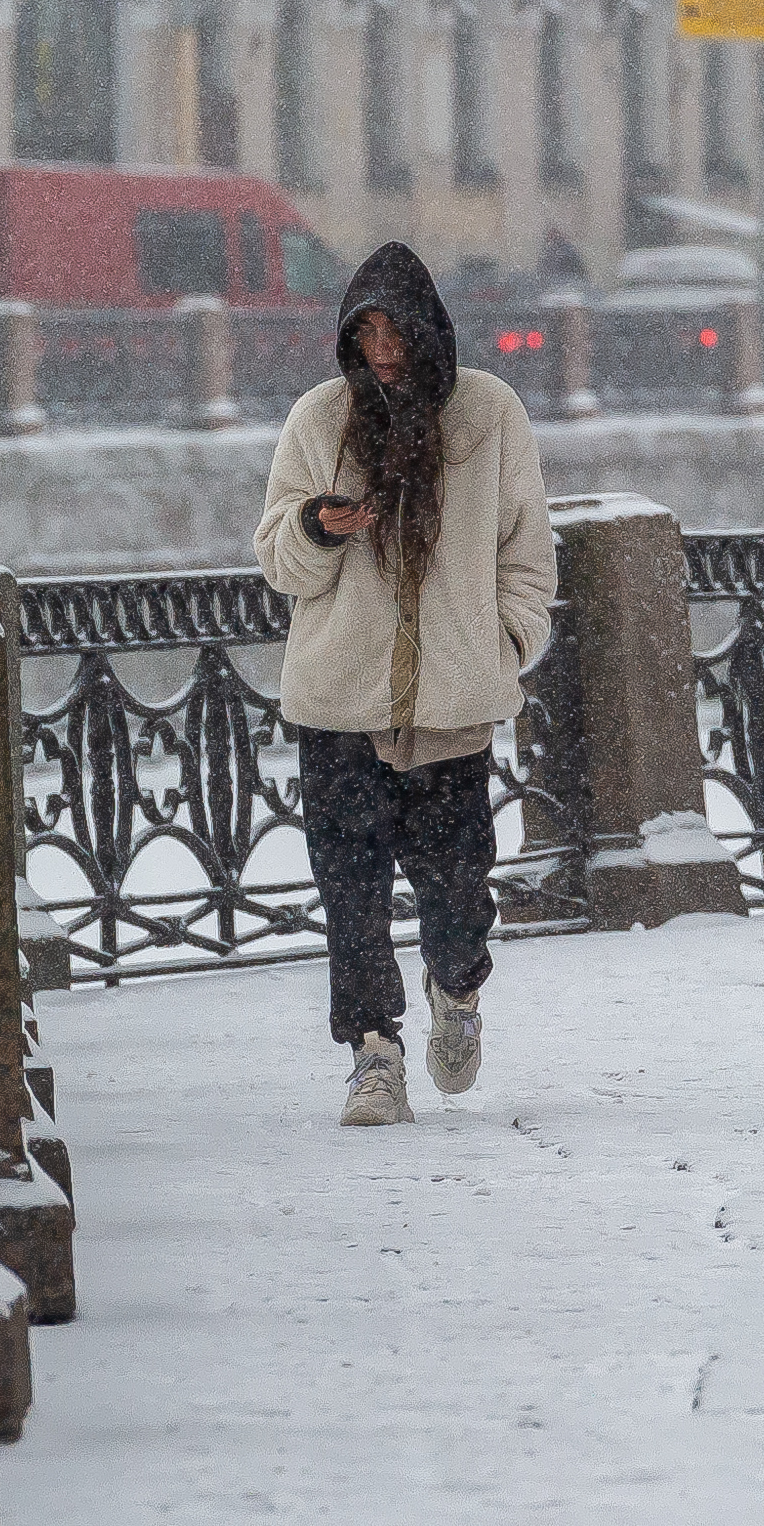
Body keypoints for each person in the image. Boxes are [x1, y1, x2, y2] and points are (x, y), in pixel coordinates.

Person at [257, 242, 554, 1125]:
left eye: (395, 330)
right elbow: (279, 561)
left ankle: (454, 992)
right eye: (366, 332)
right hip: (339, 707)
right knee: (349, 894)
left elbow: (527, 554)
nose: (383, 349)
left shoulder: (490, 416)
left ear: (429, 330)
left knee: (458, 897)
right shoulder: (319, 422)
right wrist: (318, 528)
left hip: (452, 710)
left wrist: (505, 643)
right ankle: (374, 1055)